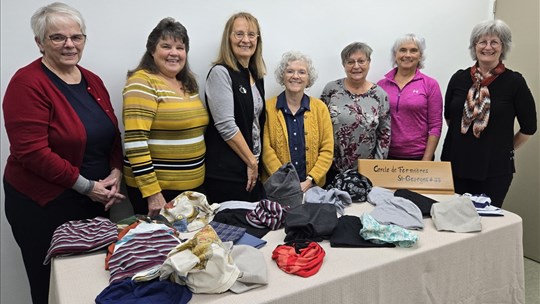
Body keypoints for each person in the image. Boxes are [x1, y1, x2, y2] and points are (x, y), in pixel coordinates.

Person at [2, 2, 125, 303]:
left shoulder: (92, 80)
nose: (69, 44)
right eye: (58, 37)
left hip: (95, 200)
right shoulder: (27, 83)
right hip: (44, 205)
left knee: (93, 280)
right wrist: (88, 187)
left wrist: (116, 171)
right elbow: (30, 152)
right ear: (40, 43)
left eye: (76, 37)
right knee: (53, 286)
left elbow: (110, 133)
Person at [441, 19, 537, 207]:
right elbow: (450, 117)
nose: (488, 47)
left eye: (495, 42)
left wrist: (503, 148)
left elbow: (529, 128)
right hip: (454, 165)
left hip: (493, 170)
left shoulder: (514, 82)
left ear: (503, 47)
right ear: (474, 46)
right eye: (482, 42)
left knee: (486, 226)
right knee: (451, 221)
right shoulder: (458, 78)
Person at [123, 17, 209, 216]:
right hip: (159, 191)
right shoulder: (142, 82)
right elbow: (136, 142)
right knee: (161, 246)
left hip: (190, 190)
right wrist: (153, 193)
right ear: (152, 50)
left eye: (180, 47)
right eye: (166, 46)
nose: (174, 53)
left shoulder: (187, 83)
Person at [204, 12, 266, 203]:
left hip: (250, 167)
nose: (245, 40)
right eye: (239, 34)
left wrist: (255, 163)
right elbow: (226, 126)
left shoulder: (256, 75)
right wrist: (251, 162)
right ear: (228, 38)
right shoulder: (221, 73)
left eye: (251, 35)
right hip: (227, 172)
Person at [262, 51, 333, 192]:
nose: (295, 76)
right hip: (277, 188)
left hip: (313, 188)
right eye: (290, 71)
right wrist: (286, 181)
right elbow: (266, 149)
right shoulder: (268, 108)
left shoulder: (320, 108)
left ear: (308, 78)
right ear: (282, 76)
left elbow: (327, 149)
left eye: (301, 72)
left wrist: (310, 180)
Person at [320, 42, 391, 183]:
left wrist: (376, 168)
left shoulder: (380, 95)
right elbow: (319, 125)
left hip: (366, 172)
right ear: (344, 65)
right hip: (331, 168)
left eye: (361, 61)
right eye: (350, 62)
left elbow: (385, 135)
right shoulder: (331, 89)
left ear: (369, 63)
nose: (356, 66)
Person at [377, 34, 443, 161]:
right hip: (386, 156)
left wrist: (427, 159)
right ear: (395, 55)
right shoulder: (381, 85)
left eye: (413, 50)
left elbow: (435, 125)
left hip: (418, 157)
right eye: (402, 50)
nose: (407, 55)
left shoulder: (430, 84)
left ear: (420, 56)